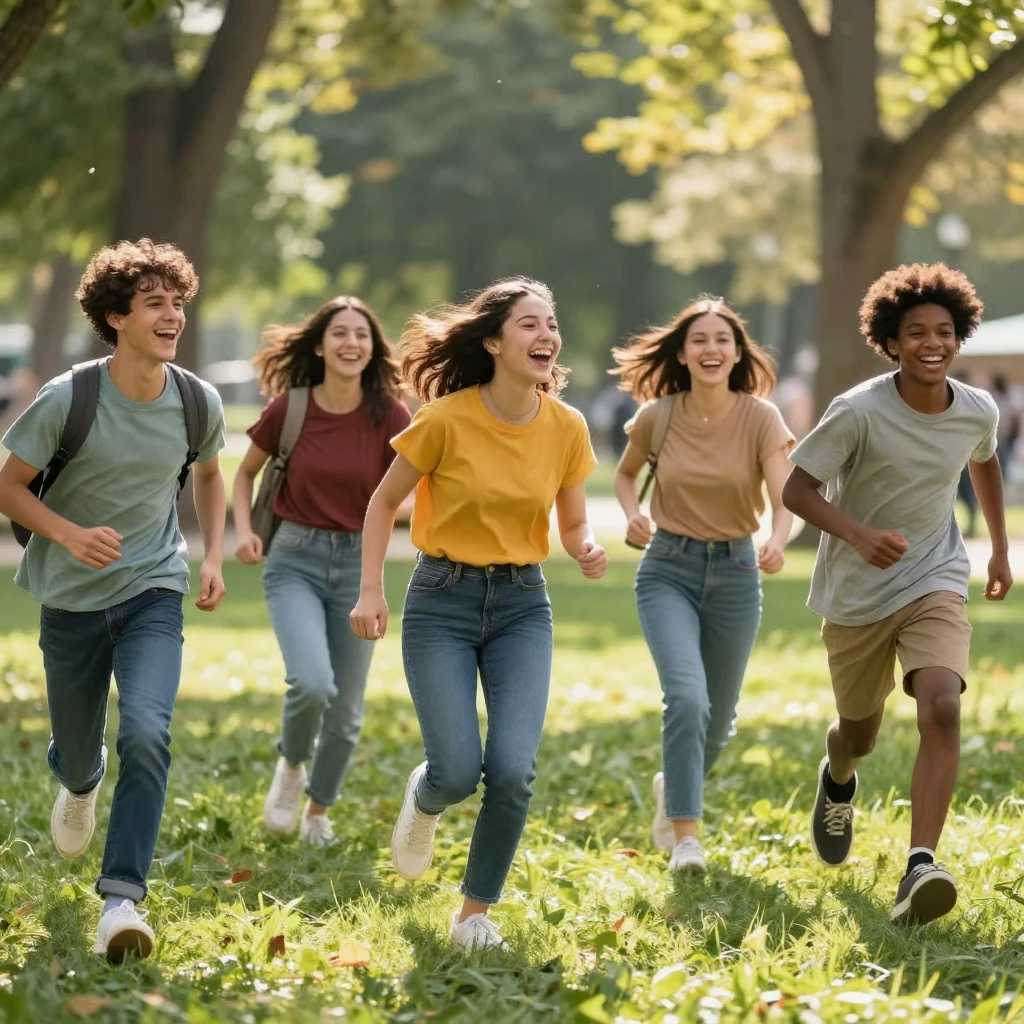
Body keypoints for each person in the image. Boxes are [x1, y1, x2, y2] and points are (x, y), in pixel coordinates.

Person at [350, 277, 607, 952]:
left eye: (551, 324)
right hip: (442, 602)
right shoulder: (444, 420)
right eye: (529, 324)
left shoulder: (566, 427)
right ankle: (428, 794)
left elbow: (573, 520)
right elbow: (382, 505)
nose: (546, 335)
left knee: (514, 769)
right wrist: (370, 591)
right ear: (492, 341)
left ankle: (473, 916)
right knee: (459, 770)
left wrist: (585, 547)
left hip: (523, 606)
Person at [0, 239, 227, 961]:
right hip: (69, 597)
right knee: (76, 755)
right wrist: (67, 535)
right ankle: (81, 779)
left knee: (149, 732)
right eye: (155, 303)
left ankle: (122, 900)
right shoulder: (69, 397)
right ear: (116, 316)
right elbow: (7, 486)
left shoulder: (197, 400)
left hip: (153, 587)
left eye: (178, 303)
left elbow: (212, 477)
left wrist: (213, 553)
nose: (172, 316)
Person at [783, 263, 1012, 925]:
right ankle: (838, 775)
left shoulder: (976, 407)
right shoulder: (856, 411)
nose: (932, 343)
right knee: (859, 732)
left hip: (935, 574)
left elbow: (984, 457)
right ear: (891, 341)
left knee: (941, 705)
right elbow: (796, 491)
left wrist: (996, 546)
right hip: (856, 594)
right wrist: (856, 534)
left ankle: (920, 866)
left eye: (944, 331)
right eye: (916, 332)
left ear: (959, 336)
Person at [611, 295, 795, 874]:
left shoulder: (761, 417)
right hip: (668, 567)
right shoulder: (658, 415)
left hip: (739, 571)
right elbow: (624, 475)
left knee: (718, 720)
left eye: (722, 340)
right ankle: (687, 839)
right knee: (686, 698)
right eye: (700, 341)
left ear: (738, 352)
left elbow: (785, 493)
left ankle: (676, 784)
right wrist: (631, 515)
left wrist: (777, 540)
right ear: (684, 353)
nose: (711, 349)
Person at [232, 297, 410, 844]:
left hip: (361, 564)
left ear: (373, 348)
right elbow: (243, 475)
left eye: (362, 334)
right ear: (319, 345)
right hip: (295, 560)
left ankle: (317, 813)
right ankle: (290, 769)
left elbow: (412, 495)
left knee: (347, 708)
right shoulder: (292, 408)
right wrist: (245, 530)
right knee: (312, 683)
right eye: (339, 333)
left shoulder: (391, 416)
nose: (351, 343)